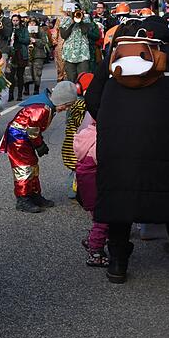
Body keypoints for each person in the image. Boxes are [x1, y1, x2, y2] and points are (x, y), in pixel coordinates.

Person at [84, 21, 169, 289]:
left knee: (119, 198)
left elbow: (92, 98)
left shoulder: (115, 55)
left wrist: (111, 123)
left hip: (116, 141)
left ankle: (117, 264)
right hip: (163, 138)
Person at [0, 80, 79, 213]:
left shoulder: (48, 105)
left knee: (33, 165)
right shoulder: (41, 109)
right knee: (24, 168)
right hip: (18, 139)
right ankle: (23, 198)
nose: (66, 109)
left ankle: (34, 194)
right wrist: (39, 145)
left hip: (25, 138)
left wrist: (39, 143)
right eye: (66, 105)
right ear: (61, 100)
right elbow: (32, 131)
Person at [73, 109, 107, 267]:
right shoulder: (100, 140)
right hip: (97, 186)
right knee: (103, 220)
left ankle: (91, 239)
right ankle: (95, 251)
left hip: (85, 185)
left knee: (97, 218)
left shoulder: (85, 134)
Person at [59, 9, 99, 83]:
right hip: (69, 54)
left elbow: (85, 31)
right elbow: (64, 35)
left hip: (83, 53)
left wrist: (80, 21)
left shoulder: (86, 19)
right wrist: (73, 23)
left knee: (84, 78)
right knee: (71, 79)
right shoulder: (65, 20)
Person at [25, 17, 50, 97]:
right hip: (27, 54)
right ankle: (26, 89)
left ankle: (36, 89)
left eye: (33, 23)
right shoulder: (25, 30)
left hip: (38, 54)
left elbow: (44, 42)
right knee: (27, 72)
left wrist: (35, 40)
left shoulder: (41, 30)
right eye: (30, 23)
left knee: (37, 73)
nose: (32, 24)